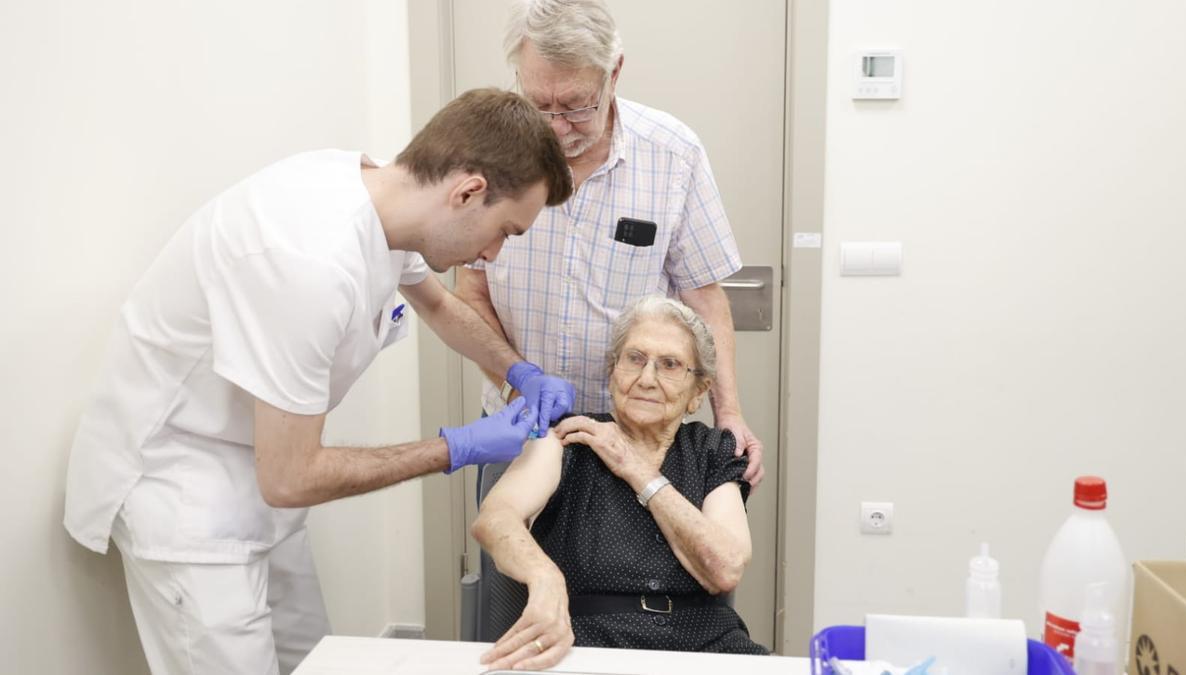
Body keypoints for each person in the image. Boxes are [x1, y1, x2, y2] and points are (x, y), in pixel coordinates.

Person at [62, 88, 576, 675]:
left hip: (257, 476)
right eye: (506, 231)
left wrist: (517, 370)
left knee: (314, 658)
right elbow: (290, 476)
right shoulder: (307, 260)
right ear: (467, 191)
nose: (490, 253)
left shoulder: (391, 200)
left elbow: (436, 306)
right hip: (184, 489)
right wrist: (454, 448)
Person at [453, 0, 765, 489]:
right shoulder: (484, 153)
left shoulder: (672, 154)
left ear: (613, 72)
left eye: (577, 106)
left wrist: (730, 413)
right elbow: (470, 291)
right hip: (520, 425)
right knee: (511, 561)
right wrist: (518, 389)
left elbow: (704, 297)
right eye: (540, 105)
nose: (556, 126)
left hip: (640, 433)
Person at [473, 296, 768, 672]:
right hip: (590, 645)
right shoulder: (567, 439)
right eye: (634, 359)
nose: (647, 378)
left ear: (698, 392)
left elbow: (724, 568)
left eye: (670, 365)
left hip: (707, 646)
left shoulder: (712, 451)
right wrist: (544, 577)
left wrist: (635, 467)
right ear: (613, 371)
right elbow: (495, 519)